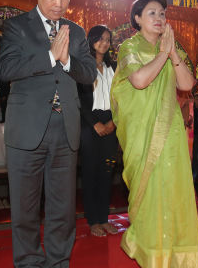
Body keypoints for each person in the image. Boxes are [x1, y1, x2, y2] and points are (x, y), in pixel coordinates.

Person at [0, 0, 96, 267]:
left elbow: (89, 73)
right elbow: (6, 69)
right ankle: (28, 262)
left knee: (62, 208)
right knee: (25, 208)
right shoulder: (16, 26)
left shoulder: (76, 32)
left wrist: (67, 62)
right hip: (26, 129)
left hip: (65, 129)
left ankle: (58, 262)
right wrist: (50, 55)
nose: (59, 3)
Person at [110, 0, 198, 267]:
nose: (160, 18)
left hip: (170, 131)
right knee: (149, 190)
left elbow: (187, 84)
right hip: (143, 134)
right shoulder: (129, 47)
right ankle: (151, 253)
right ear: (137, 19)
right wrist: (163, 53)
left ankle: (175, 252)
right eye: (152, 13)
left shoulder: (170, 47)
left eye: (162, 13)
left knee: (173, 189)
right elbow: (139, 80)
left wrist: (172, 52)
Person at [77, 25, 119, 237]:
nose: (104, 43)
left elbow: (121, 97)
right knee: (90, 174)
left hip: (111, 122)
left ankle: (104, 218)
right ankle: (93, 220)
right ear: (91, 40)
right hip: (89, 124)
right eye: (100, 39)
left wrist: (114, 121)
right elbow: (78, 99)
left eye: (107, 39)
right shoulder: (82, 65)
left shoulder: (114, 67)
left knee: (107, 173)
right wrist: (94, 123)